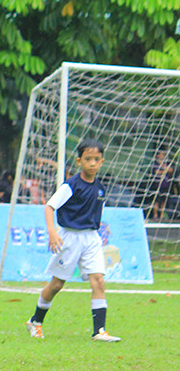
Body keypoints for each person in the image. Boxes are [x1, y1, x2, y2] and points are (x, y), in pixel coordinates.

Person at [25, 138, 121, 342]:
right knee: (57, 284)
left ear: (102, 162)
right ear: (79, 161)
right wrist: (52, 231)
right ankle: (36, 321)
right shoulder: (71, 186)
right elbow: (49, 207)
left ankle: (99, 331)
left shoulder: (101, 188)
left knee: (99, 280)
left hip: (91, 238)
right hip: (69, 237)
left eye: (96, 159)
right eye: (88, 159)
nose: (92, 163)